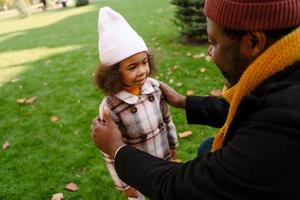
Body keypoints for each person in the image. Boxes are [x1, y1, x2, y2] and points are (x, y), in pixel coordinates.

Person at [92, 0, 300, 199]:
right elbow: (243, 109)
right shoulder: (283, 74)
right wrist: (185, 102)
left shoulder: (285, 120)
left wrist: (117, 149)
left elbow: (186, 189)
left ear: (253, 42)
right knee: (206, 147)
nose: (209, 53)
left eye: (213, 42)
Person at [94, 7, 178, 200]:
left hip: (163, 161)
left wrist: (172, 144)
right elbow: (109, 151)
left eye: (144, 62)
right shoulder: (110, 108)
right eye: (132, 67)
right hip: (134, 173)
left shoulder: (155, 88)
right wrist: (123, 183)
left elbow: (166, 119)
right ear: (113, 73)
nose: (142, 71)